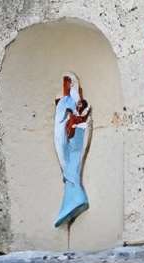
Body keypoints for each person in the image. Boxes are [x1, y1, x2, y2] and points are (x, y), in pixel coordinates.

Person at [53, 75, 93, 230]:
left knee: (71, 164)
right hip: (69, 133)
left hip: (76, 135)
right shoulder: (64, 104)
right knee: (66, 161)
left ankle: (75, 196)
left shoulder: (73, 105)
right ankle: (74, 196)